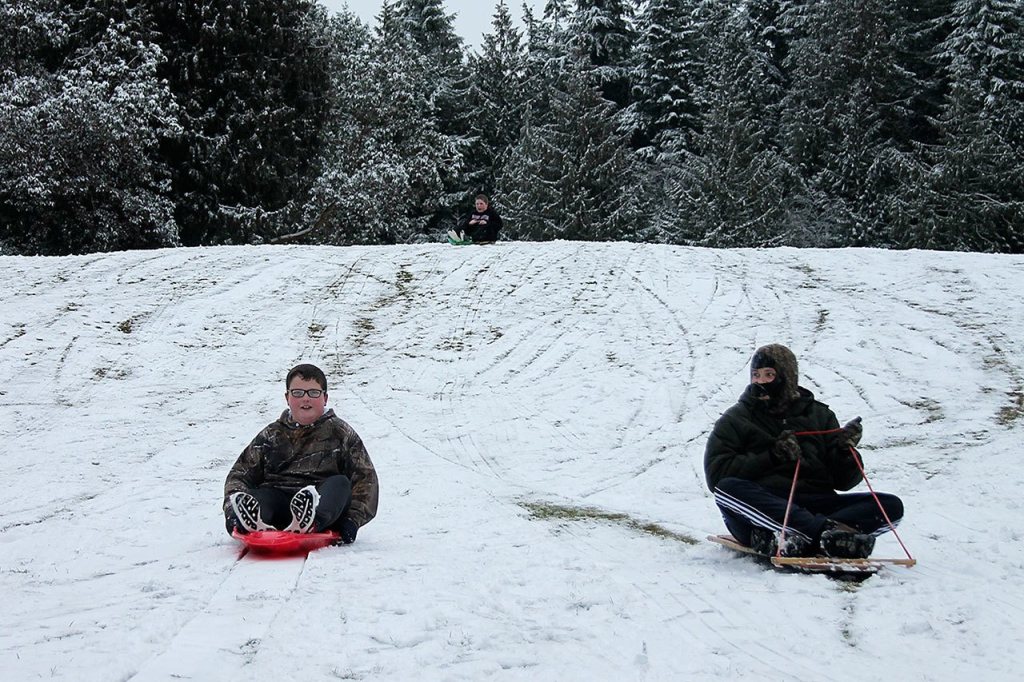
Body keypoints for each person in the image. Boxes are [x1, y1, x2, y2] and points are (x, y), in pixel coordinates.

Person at [704, 344, 904, 558]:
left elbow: (844, 482)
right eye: (756, 375)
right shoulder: (737, 419)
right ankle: (822, 535)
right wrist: (772, 457)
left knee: (890, 505)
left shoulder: (819, 415)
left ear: (787, 377)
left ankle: (810, 536)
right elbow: (717, 475)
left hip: (817, 504)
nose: (760, 381)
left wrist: (844, 451)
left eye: (769, 374)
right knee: (727, 488)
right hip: (766, 506)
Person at [223, 363, 379, 544]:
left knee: (340, 484)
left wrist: (352, 520)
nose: (306, 399)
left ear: (325, 398)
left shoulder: (340, 433)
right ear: (287, 397)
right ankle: (252, 521)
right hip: (278, 505)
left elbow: (366, 480)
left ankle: (310, 521)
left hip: (323, 506)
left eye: (313, 393)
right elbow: (239, 474)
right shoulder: (271, 435)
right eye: (298, 393)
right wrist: (232, 513)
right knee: (262, 496)